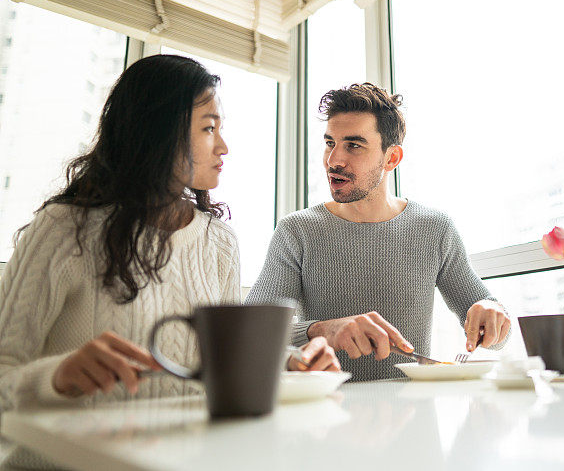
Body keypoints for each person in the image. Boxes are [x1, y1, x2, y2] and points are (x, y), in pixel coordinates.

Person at [0, 55, 339, 416]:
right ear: (158, 130)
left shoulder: (219, 242)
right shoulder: (65, 228)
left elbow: (223, 363)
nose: (223, 146)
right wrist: (55, 377)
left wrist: (294, 363)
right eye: (209, 129)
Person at [247, 83, 511, 381]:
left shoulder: (435, 229)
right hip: (327, 419)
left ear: (392, 158)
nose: (334, 160)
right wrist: (321, 330)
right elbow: (251, 334)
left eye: (354, 145)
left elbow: (498, 337)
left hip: (414, 418)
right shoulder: (297, 232)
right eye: (330, 143)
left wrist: (492, 311)